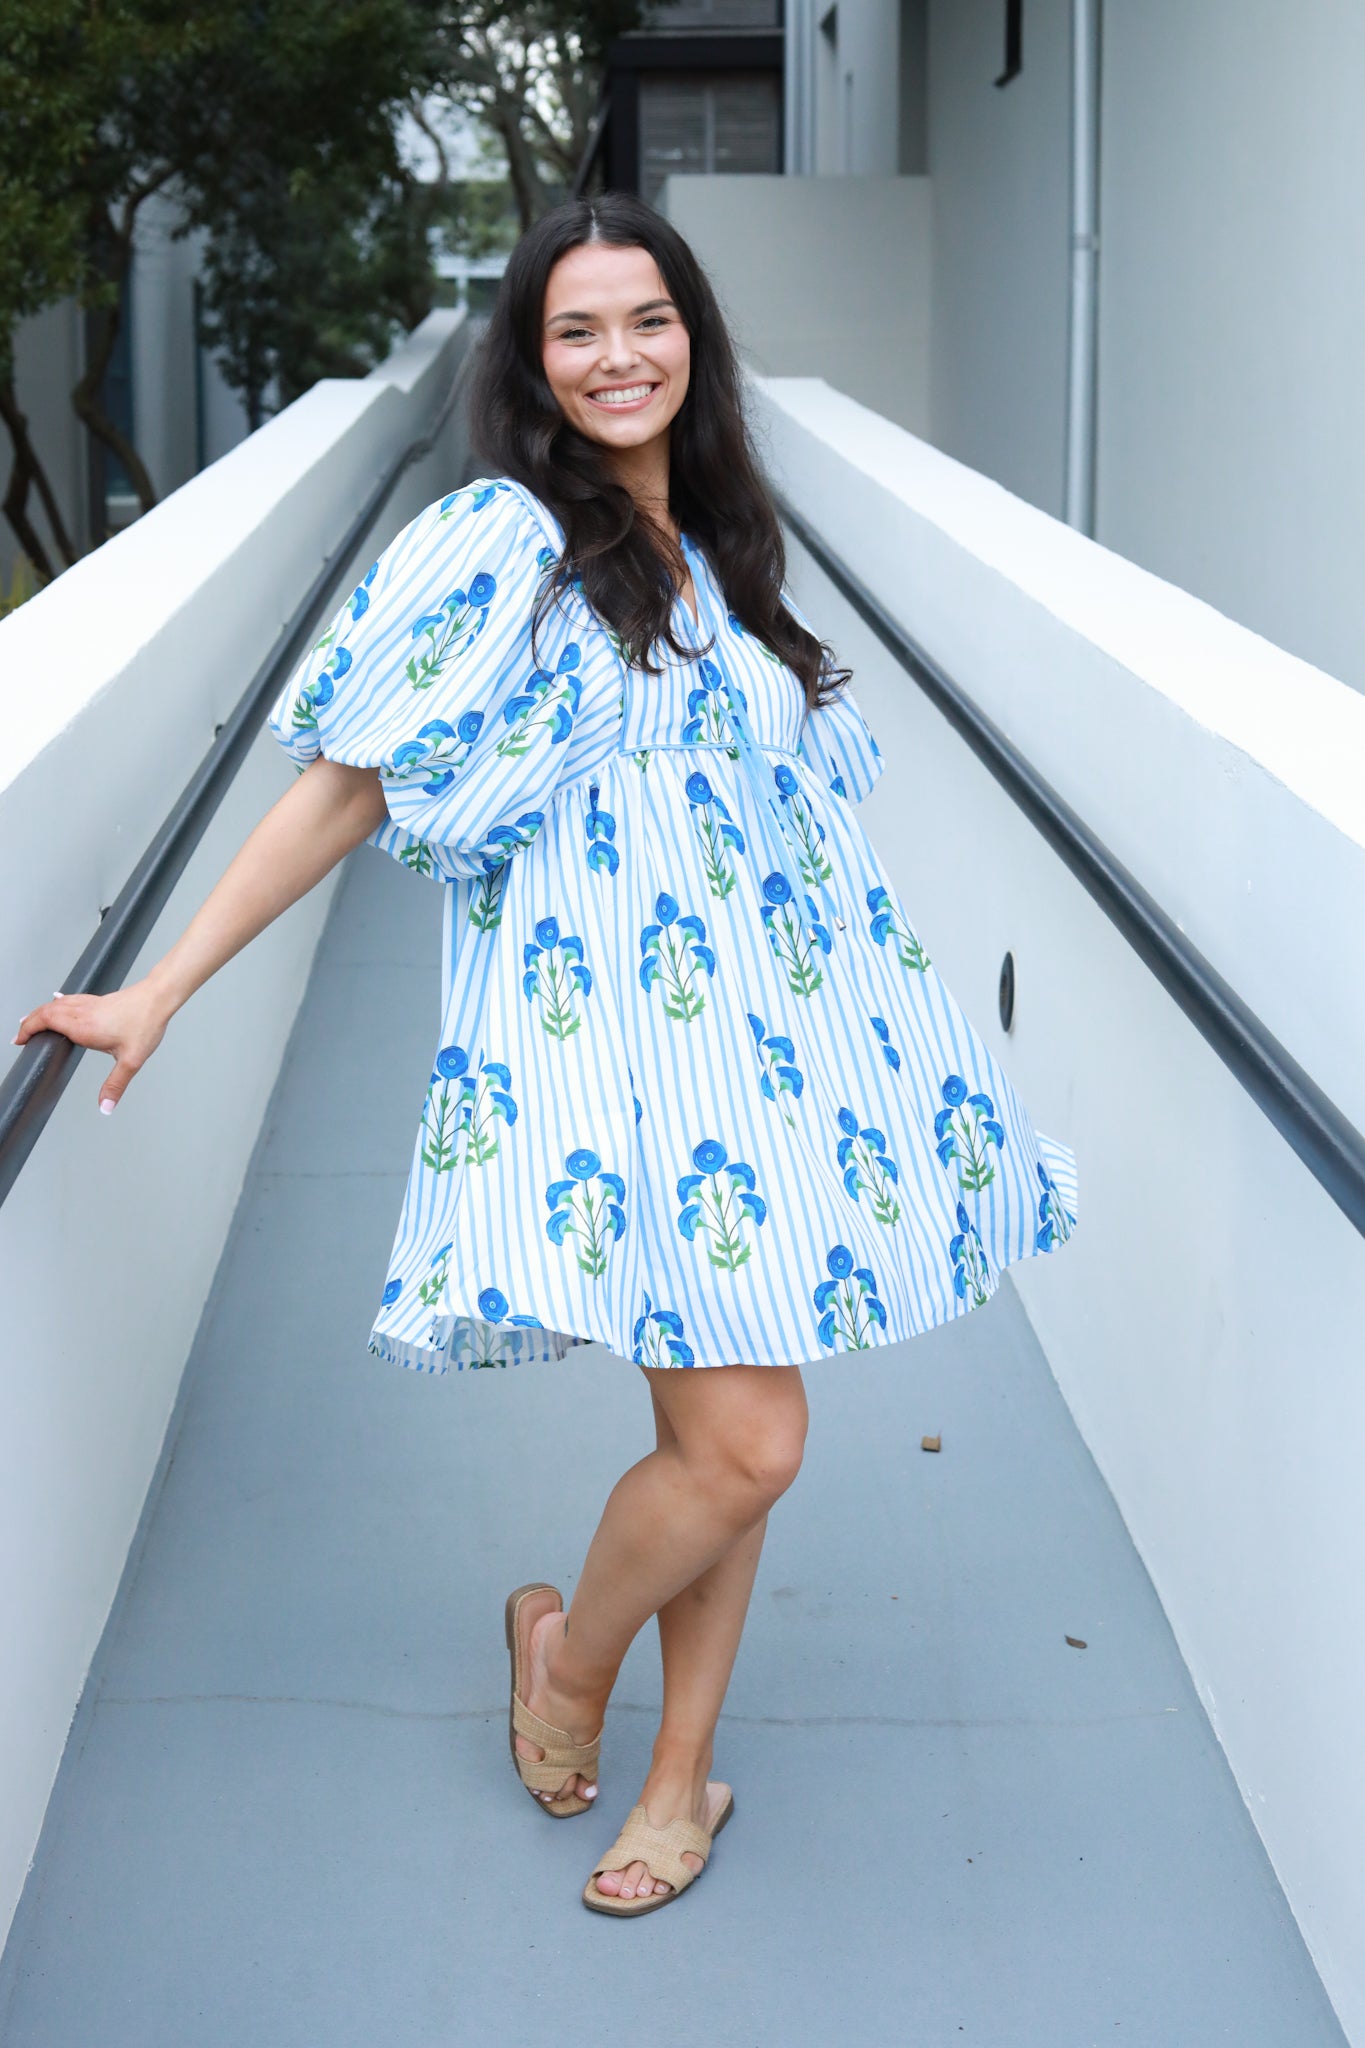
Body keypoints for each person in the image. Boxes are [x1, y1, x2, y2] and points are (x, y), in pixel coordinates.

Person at [16, 194, 1076, 1918]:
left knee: (725, 1436)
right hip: (624, 1069)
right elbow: (353, 780)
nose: (616, 357)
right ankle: (572, 1664)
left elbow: (786, 830)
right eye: (575, 330)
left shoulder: (728, 552)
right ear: (529, 361)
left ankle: (675, 1777)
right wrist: (161, 989)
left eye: (645, 320)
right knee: (746, 1445)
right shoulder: (506, 539)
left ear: (691, 340)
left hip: (778, 1059)